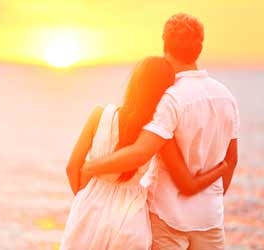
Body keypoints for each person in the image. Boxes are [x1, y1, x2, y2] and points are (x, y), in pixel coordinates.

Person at [83, 13, 240, 249]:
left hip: (168, 220)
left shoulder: (171, 98)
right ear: (199, 48)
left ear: (165, 45)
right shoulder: (226, 96)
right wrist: (213, 199)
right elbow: (231, 158)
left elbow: (140, 153)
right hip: (209, 220)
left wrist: (93, 167)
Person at [60, 56, 228, 250]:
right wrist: (221, 168)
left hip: (89, 210)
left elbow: (72, 167)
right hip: (130, 218)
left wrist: (85, 198)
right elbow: (186, 182)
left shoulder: (99, 115)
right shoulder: (156, 131)